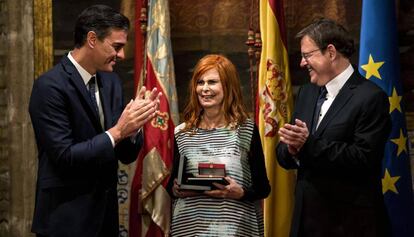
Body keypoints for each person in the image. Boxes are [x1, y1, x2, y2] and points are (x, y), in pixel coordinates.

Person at [29, 5, 161, 237]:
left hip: (106, 220)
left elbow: (125, 154)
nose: (121, 55)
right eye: (116, 46)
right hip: (65, 221)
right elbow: (64, 156)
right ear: (92, 39)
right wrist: (119, 130)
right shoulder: (49, 87)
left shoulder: (111, 82)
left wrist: (134, 128)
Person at [276, 18, 391, 237]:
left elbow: (364, 158)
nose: (302, 63)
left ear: (330, 52)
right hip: (306, 222)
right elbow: (285, 153)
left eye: (307, 55)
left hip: (350, 224)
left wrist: (307, 145)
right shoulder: (307, 93)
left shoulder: (371, 97)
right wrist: (291, 150)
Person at [167, 54, 271, 236]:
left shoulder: (246, 130)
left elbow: (263, 188)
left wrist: (240, 193)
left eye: (212, 82)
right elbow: (173, 186)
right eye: (200, 82)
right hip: (190, 228)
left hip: (235, 228)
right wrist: (175, 188)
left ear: (228, 86)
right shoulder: (181, 133)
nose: (205, 89)